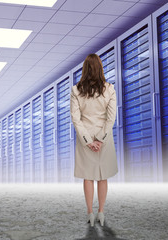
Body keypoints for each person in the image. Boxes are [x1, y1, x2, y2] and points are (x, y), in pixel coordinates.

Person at [70, 53, 118, 227]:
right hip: (104, 139)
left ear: (84, 69)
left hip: (85, 140)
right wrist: (100, 139)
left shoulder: (76, 90)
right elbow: (111, 118)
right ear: (100, 68)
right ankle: (101, 212)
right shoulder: (109, 89)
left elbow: (76, 118)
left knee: (88, 177)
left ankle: (90, 213)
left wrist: (88, 140)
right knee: (102, 176)